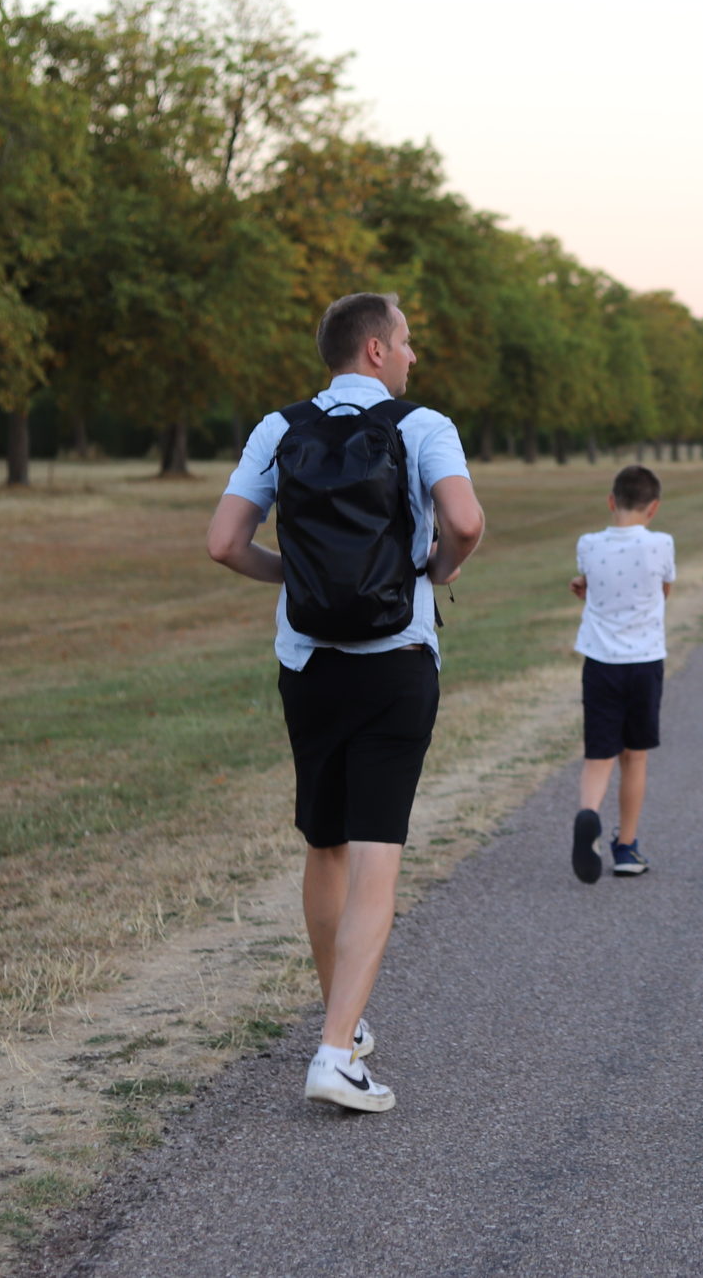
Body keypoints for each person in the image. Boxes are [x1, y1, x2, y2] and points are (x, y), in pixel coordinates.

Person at [206, 292, 484, 1115]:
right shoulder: (422, 424)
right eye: (404, 344)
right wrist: (433, 569)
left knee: (324, 843)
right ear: (373, 349)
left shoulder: (277, 426)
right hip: (396, 658)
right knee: (377, 851)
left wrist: (295, 579)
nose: (411, 358)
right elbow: (465, 520)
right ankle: (335, 1052)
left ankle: (344, 1020)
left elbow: (223, 541)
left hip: (309, 662)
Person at [568, 463, 674, 882]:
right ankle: (627, 847)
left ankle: (588, 814)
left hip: (600, 664)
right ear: (653, 509)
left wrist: (583, 586)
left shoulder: (588, 545)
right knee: (635, 757)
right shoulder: (662, 544)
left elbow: (594, 586)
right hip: (644, 663)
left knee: (599, 756)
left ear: (611, 502)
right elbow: (661, 593)